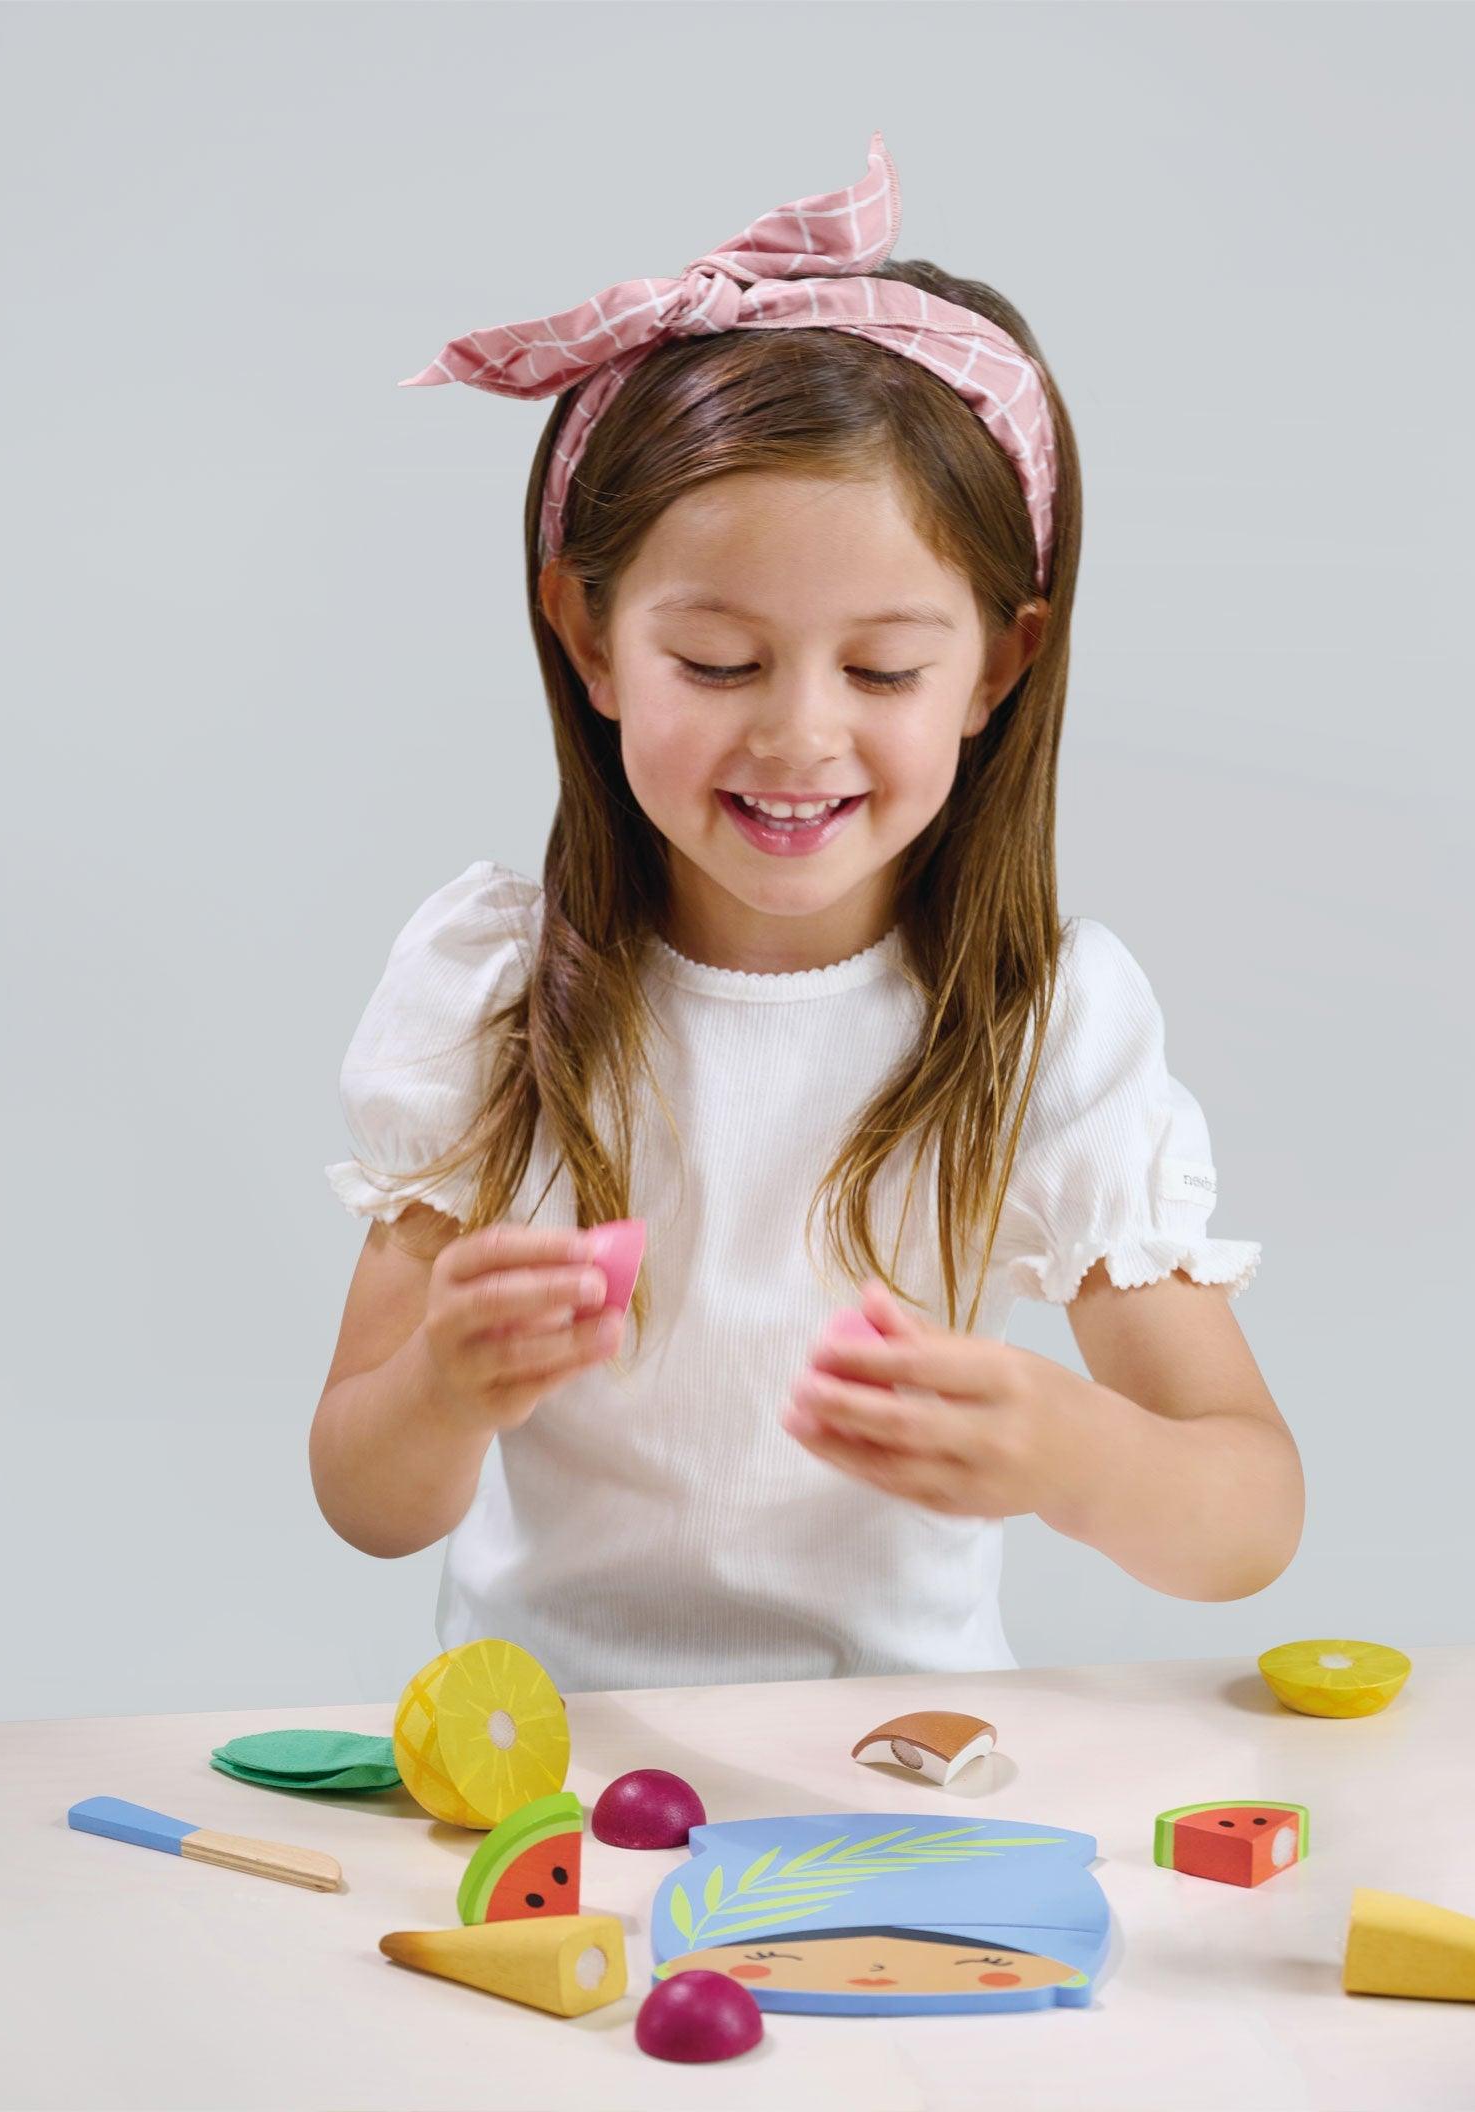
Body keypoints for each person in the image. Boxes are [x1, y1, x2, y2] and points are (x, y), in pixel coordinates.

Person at [309, 135, 1303, 1697]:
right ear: (586, 633)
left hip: (902, 1756)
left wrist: (1072, 1451)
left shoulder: (1039, 1020)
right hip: (541, 1759)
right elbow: (366, 1499)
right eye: (717, 663)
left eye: (885, 671)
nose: (797, 735)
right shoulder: (495, 990)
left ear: (996, 666)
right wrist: (442, 1383)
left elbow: (1247, 1516)